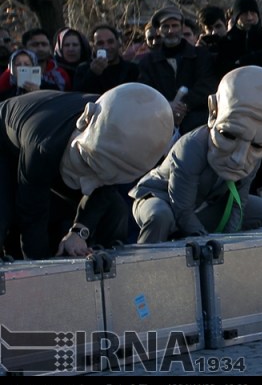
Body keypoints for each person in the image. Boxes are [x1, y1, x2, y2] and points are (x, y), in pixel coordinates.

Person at [0, 84, 173, 259]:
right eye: (87, 163)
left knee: (115, 209)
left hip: (59, 150)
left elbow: (107, 188)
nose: (87, 188)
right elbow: (32, 212)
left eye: (104, 175)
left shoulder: (117, 125)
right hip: (7, 140)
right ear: (85, 122)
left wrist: (79, 232)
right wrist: (40, 268)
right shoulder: (43, 145)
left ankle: (111, 266)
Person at [130, 66, 262, 242]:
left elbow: (238, 204)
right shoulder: (191, 147)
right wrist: (208, 244)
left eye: (258, 145)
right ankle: (146, 257)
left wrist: (231, 244)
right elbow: (182, 209)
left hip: (204, 205)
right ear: (213, 112)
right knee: (160, 216)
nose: (239, 159)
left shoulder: (253, 153)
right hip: (162, 197)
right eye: (229, 135)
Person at [137, 6, 218, 133]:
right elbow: (145, 92)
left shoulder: (201, 56)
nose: (171, 31)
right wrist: (167, 107)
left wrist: (184, 105)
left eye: (174, 26)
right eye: (165, 27)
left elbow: (207, 85)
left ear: (181, 28)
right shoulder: (147, 63)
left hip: (198, 125)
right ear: (158, 30)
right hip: (159, 125)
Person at [72, 24, 140, 94]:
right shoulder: (83, 69)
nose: (106, 47)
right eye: (100, 43)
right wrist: (92, 74)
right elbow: (78, 95)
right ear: (94, 47)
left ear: (118, 43)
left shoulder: (132, 69)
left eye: (110, 42)